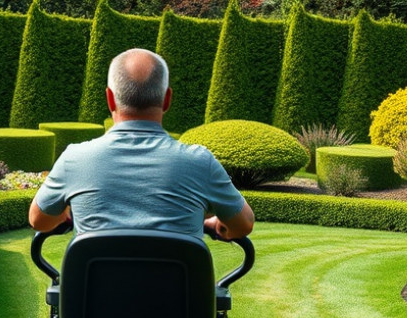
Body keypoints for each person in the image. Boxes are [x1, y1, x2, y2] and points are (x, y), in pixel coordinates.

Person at [29, 48, 254, 240]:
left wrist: (66, 212)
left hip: (98, 292)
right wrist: (212, 222)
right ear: (167, 99)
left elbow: (38, 220)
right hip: (176, 293)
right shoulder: (200, 162)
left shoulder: (74, 159)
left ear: (110, 99)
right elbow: (244, 224)